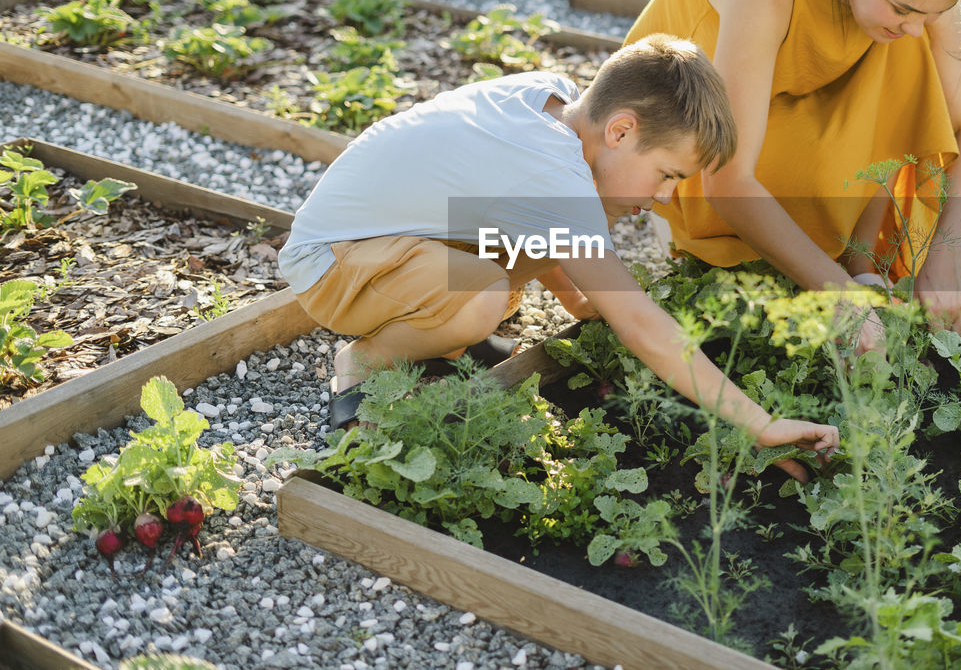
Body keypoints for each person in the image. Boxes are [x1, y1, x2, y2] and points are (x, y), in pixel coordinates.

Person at [277, 33, 838, 479]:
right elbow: (641, 324)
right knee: (483, 299)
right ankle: (365, 362)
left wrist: (575, 295)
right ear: (621, 130)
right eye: (667, 174)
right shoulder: (555, 177)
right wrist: (760, 423)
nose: (664, 196)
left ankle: (436, 332)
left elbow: (524, 212)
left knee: (496, 285)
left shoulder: (555, 101)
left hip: (385, 238)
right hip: (332, 262)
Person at [625, 0, 961, 352]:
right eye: (902, 8)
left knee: (910, 48)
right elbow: (728, 178)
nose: (914, 24)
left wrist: (948, 254)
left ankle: (860, 263)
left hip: (799, 135)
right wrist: (841, 300)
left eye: (932, 13)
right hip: (692, 146)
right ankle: (840, 276)